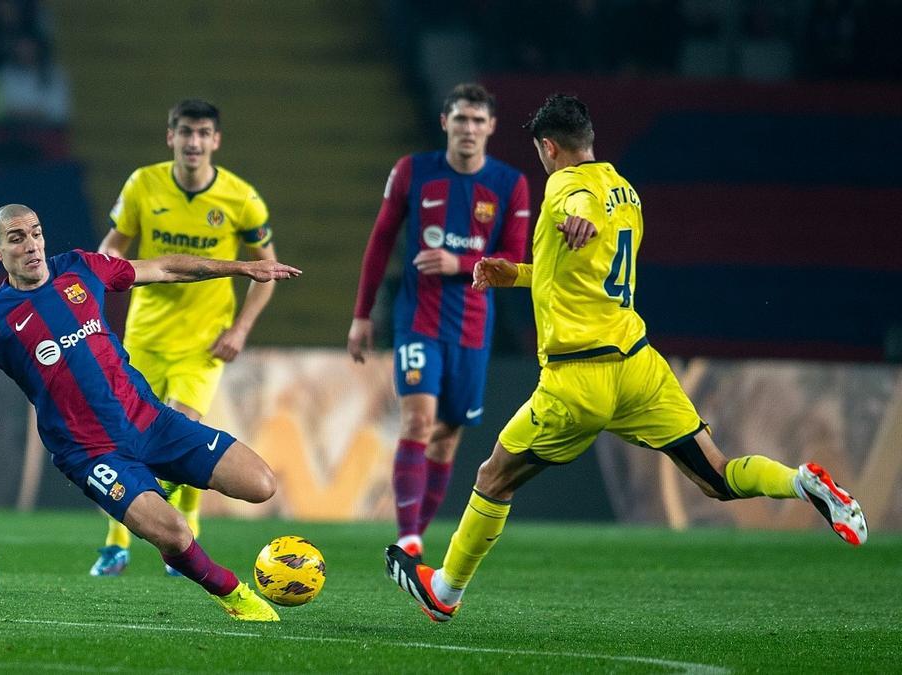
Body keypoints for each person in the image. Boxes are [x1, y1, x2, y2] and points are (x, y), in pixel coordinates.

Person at [384, 94, 869, 623]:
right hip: (639, 368)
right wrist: (516, 273)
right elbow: (583, 273)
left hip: (577, 378)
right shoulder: (627, 191)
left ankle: (445, 592)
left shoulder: (564, 186)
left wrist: (576, 221)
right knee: (719, 476)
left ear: (549, 148)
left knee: (493, 477)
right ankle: (800, 481)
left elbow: (577, 213)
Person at [0, 204, 301, 621]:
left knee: (261, 484)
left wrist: (242, 268)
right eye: (17, 238)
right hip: (91, 453)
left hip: (150, 421)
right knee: (174, 533)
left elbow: (166, 269)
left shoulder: (82, 268)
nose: (31, 245)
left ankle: (158, 477)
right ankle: (233, 594)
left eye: (36, 232)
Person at [91, 99, 280, 577]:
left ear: (215, 141)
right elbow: (116, 243)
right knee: (125, 438)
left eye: (203, 134)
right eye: (185, 132)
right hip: (146, 334)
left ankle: (184, 527)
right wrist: (97, 275)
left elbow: (267, 270)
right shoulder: (143, 184)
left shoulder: (242, 199)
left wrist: (240, 329)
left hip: (204, 342)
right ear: (170, 136)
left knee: (182, 429)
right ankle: (116, 543)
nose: (193, 142)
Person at [347, 83, 530, 561]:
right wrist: (362, 315)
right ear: (445, 122)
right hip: (418, 320)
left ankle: (416, 535)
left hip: (472, 328)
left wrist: (460, 262)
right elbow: (381, 240)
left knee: (447, 438)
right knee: (418, 419)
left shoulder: (511, 184)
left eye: (478, 121)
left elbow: (515, 260)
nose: (469, 129)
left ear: (491, 127)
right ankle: (407, 537)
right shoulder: (412, 171)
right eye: (461, 119)